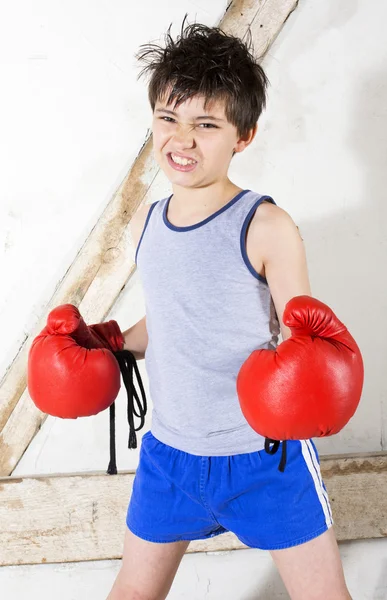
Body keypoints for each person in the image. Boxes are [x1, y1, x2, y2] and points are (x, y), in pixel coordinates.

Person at [107, 19, 352, 600]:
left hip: (264, 459)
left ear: (243, 135)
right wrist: (112, 340)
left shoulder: (266, 225)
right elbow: (170, 322)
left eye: (205, 125)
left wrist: (320, 370)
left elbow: (304, 343)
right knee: (131, 593)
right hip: (169, 456)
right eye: (168, 119)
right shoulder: (146, 223)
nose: (181, 139)